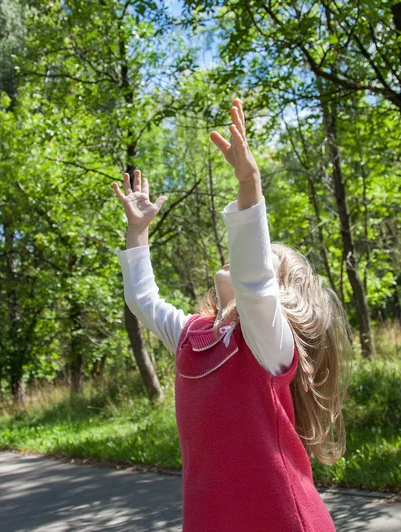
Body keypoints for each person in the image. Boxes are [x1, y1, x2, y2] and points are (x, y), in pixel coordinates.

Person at [111, 98, 351, 531]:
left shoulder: (268, 344)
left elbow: (254, 284)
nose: (245, 266)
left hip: (281, 519)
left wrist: (249, 183)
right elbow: (142, 300)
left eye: (263, 264)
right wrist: (137, 231)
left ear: (280, 298)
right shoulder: (192, 335)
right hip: (212, 520)